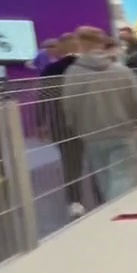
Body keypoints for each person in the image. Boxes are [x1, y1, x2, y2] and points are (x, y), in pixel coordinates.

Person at [62, 36, 137, 205]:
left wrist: (75, 127)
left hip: (91, 133)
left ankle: (108, 208)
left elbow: (68, 105)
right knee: (122, 175)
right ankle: (117, 208)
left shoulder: (73, 73)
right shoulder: (122, 71)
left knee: (103, 177)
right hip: (122, 130)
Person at [40, 32, 88, 217]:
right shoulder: (87, 67)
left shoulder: (50, 69)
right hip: (88, 119)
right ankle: (103, 197)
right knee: (96, 160)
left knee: (70, 164)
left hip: (61, 122)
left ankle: (75, 200)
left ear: (60, 48)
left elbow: (43, 98)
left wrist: (41, 122)